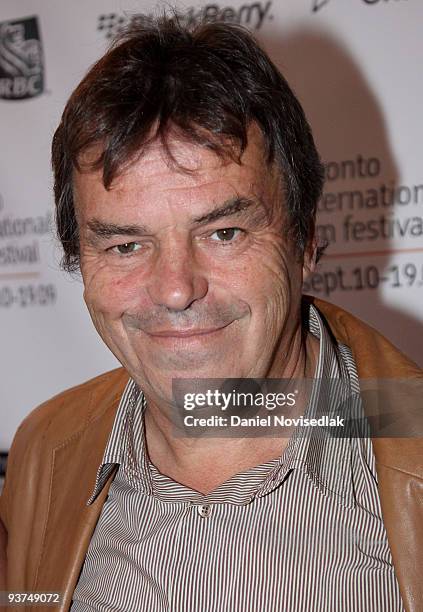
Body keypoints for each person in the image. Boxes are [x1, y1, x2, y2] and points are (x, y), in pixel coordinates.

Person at [0, 14, 422, 612]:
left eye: (223, 233)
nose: (175, 290)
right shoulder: (45, 450)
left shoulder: (413, 441)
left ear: (304, 241)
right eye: (125, 245)